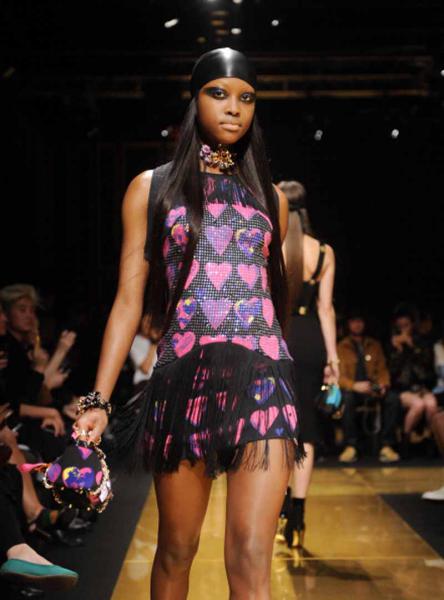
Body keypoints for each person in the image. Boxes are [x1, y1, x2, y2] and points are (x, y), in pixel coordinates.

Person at [74, 48, 304, 600]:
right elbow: (128, 300)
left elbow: (276, 298)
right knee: (178, 549)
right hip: (186, 379)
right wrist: (98, 401)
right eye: (218, 93)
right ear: (194, 100)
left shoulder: (271, 198)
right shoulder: (152, 188)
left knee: (251, 557)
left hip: (262, 379)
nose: (234, 108)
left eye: (246, 97)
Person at [278, 180, 338, 548]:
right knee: (307, 431)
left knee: (277, 428)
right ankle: (298, 515)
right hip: (311, 340)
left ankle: (282, 506)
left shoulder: (271, 246)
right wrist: (333, 357)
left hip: (277, 336)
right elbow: (325, 309)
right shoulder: (324, 252)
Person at [338, 312, 401, 463]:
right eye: (354, 321)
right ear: (348, 324)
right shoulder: (341, 346)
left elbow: (382, 369)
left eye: (360, 321)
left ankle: (387, 445)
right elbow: (338, 376)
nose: (357, 325)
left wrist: (383, 384)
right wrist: (354, 386)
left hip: (372, 388)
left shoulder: (374, 345)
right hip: (352, 389)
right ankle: (351, 446)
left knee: (393, 398)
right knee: (346, 399)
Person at [387, 310, 438, 446]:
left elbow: (427, 368)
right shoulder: (392, 345)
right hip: (402, 390)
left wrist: (412, 347)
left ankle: (431, 439)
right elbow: (391, 373)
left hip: (422, 388)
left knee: (431, 405)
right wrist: (398, 352)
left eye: (406, 325)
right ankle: (406, 439)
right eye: (400, 326)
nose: (404, 329)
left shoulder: (421, 343)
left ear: (412, 325)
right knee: (418, 405)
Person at [128, 314, 158, 394]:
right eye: (146, 321)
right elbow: (145, 368)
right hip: (144, 384)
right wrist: (154, 342)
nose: (148, 325)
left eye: (151, 322)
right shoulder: (135, 341)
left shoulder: (161, 340)